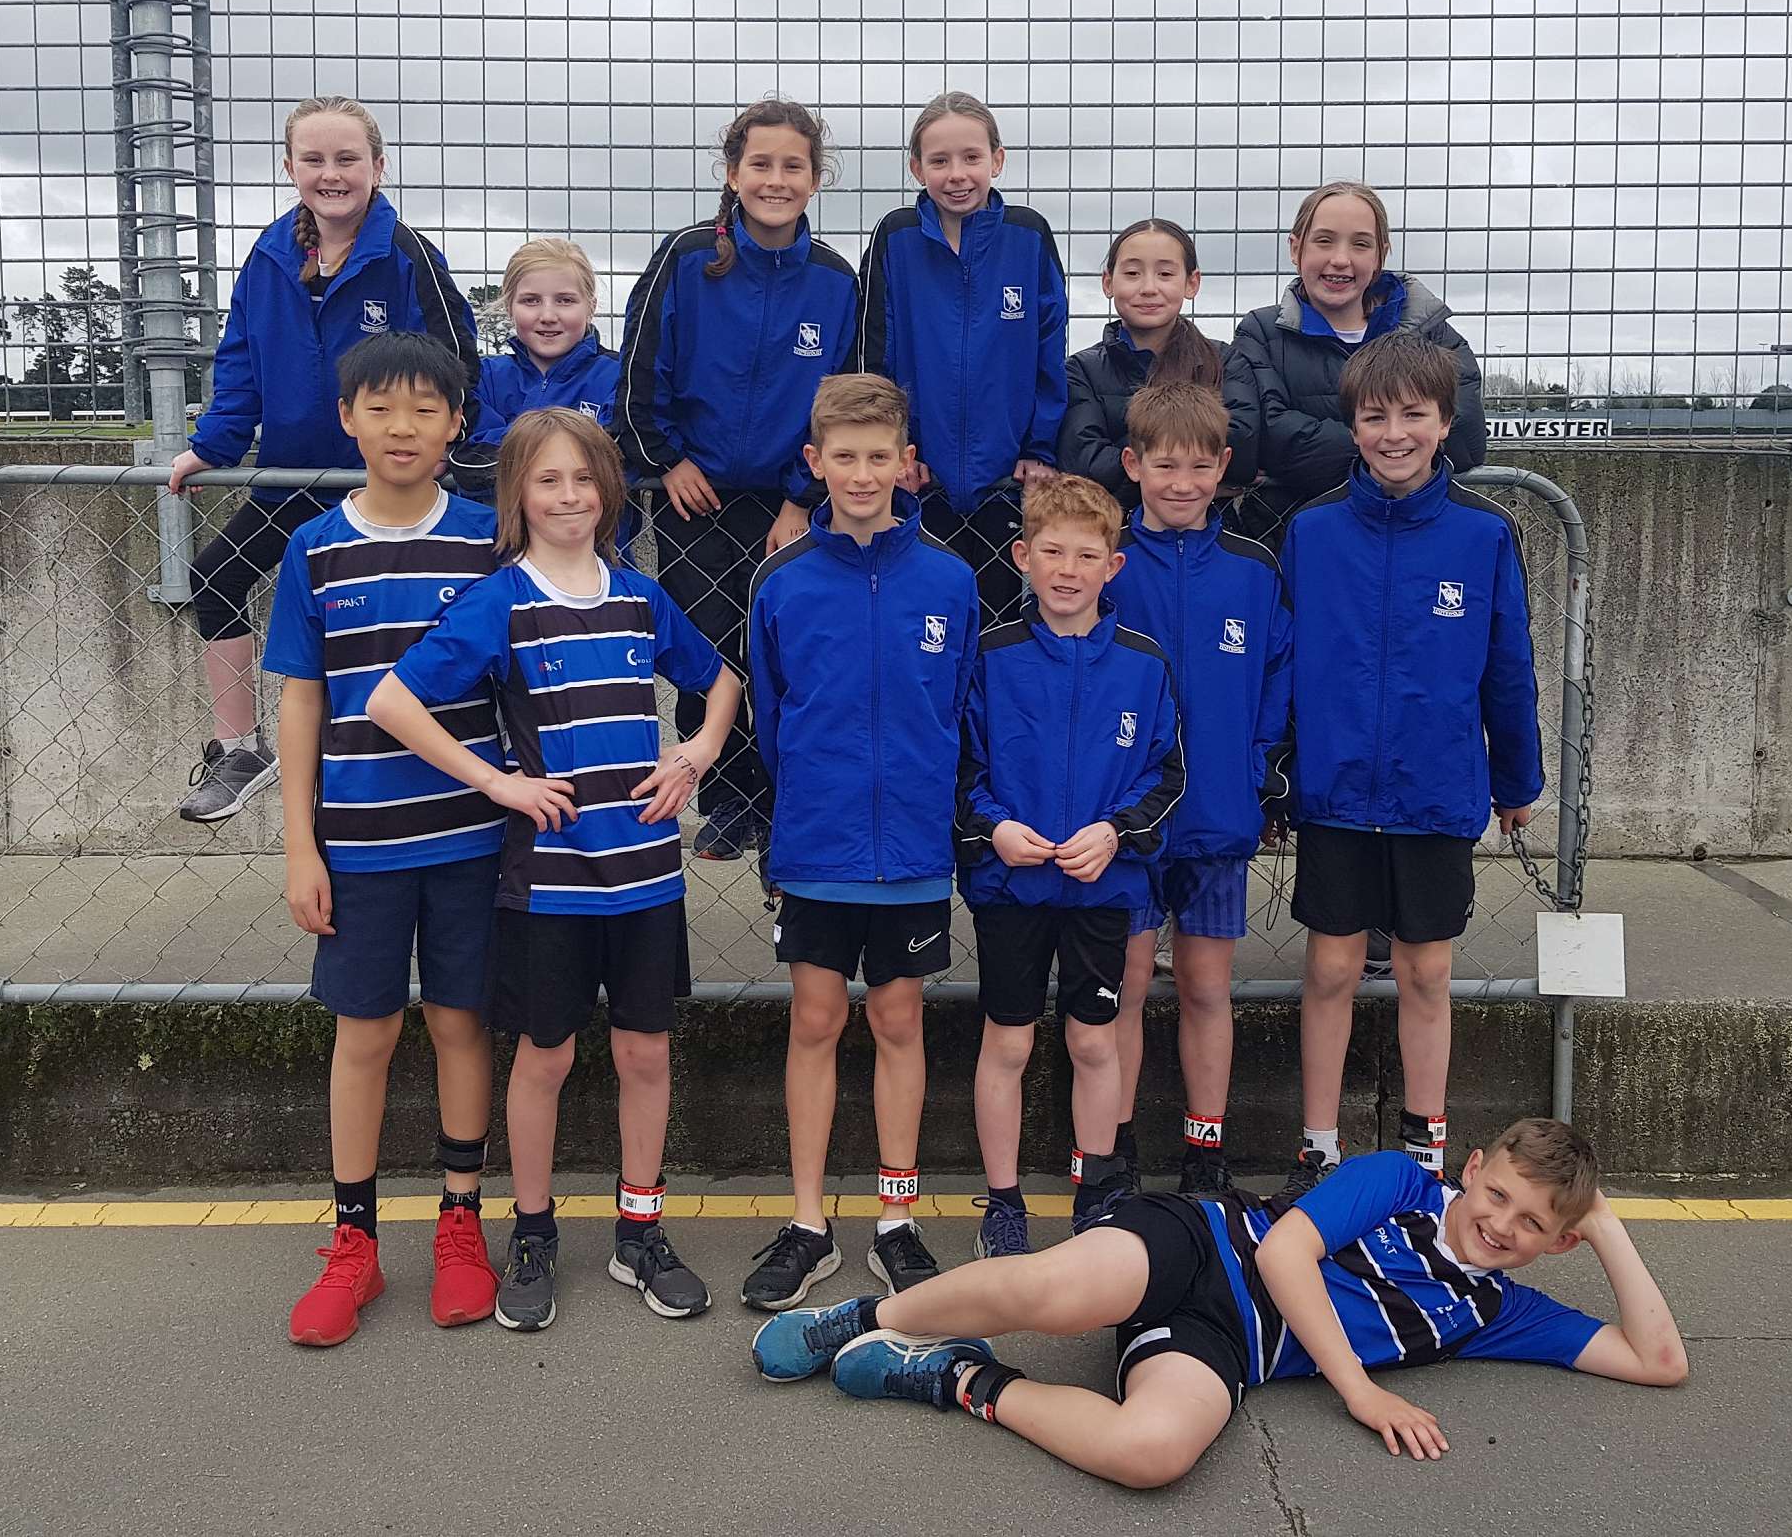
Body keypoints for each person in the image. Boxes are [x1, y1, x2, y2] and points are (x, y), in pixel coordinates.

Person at [752, 1117, 1687, 1489]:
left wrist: (1606, 1225)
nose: (1501, 1225)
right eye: (1498, 1195)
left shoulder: (1499, 1311)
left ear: (1559, 1242)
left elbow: (1659, 1361)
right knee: (1053, 1293)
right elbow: (1284, 1252)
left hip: (1226, 1342)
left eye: (1534, 1224)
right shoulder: (1402, 1181)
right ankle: (870, 1319)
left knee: (1153, 1453)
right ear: (1471, 1169)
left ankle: (954, 1377)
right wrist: (1361, 1391)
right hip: (1205, 1244)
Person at [366, 407, 742, 1331]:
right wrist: (497, 782)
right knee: (547, 1054)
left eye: (583, 479)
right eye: (548, 481)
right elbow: (391, 700)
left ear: (608, 491)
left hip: (646, 871)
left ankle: (640, 1231)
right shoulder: (501, 601)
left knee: (645, 1051)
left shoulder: (640, 596)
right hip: (551, 880)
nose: (568, 496)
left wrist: (696, 753)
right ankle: (532, 1232)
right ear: (518, 495)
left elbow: (723, 679)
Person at [263, 331, 506, 1347]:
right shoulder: (314, 548)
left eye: (424, 409)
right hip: (358, 847)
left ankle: (461, 1224)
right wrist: (299, 846)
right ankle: (353, 1244)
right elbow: (301, 701)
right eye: (380, 407)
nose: (402, 427)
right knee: (363, 1034)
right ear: (347, 419)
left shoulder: (492, 540)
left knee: (459, 1024)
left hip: (471, 840)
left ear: (456, 424)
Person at [169, 94, 482, 823]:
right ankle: (240, 750)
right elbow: (241, 359)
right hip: (293, 479)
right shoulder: (270, 256)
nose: (331, 174)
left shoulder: (407, 255)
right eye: (314, 159)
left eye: (348, 159)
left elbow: (456, 364)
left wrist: (438, 445)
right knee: (214, 578)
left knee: (375, 628)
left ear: (378, 167)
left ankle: (418, 753)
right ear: (290, 168)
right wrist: (211, 445)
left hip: (383, 488)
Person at [740, 374, 979, 1309]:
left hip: (912, 847)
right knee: (815, 1020)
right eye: (845, 456)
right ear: (816, 462)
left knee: (899, 1020)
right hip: (819, 843)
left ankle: (895, 1218)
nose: (864, 473)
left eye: (881, 456)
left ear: (906, 462)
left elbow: (958, 709)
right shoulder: (781, 582)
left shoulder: (951, 581)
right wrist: (812, 801)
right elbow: (771, 720)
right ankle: (808, 1223)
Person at [1281, 332, 1542, 1184]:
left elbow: (1509, 666)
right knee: (1331, 967)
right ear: (1352, 425)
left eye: (1413, 415)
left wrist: (1517, 779)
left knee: (1427, 970)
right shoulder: (1312, 531)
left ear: (1445, 421)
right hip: (1335, 791)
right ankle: (1319, 1148)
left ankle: (1425, 1155)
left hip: (1435, 791)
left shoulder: (1483, 533)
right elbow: (1281, 665)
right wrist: (1276, 774)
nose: (1394, 434)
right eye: (1375, 416)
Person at [614, 97, 860, 863]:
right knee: (706, 645)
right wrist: (668, 459)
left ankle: (780, 797)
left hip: (786, 505)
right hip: (694, 494)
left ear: (815, 179)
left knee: (782, 647)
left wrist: (802, 496)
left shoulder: (834, 280)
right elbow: (640, 370)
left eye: (793, 166)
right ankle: (724, 797)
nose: (775, 180)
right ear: (732, 173)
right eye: (760, 164)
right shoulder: (687, 257)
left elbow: (844, 403)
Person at [956, 475, 1184, 1259]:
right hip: (1010, 886)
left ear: (1113, 567)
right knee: (1008, 1043)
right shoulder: (992, 656)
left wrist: (1115, 834)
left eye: (1088, 555)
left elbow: (1167, 774)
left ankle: (1096, 1195)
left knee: (1094, 1041)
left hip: (1101, 887)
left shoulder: (1144, 664)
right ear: (1023, 556)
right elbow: (961, 767)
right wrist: (996, 828)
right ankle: (1004, 1203)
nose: (1068, 569)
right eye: (1052, 552)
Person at [1100, 381, 1291, 1195]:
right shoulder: (1104, 560)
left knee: (1208, 987)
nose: (1183, 484)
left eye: (1199, 467)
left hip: (1215, 817)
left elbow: (1277, 682)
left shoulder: (1252, 570)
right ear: (1132, 464)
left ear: (1224, 467)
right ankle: (1111, 1147)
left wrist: (1257, 775)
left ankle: (1205, 1151)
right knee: (1126, 988)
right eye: (1165, 466)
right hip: (1125, 825)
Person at [857, 90, 1067, 624]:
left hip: (1004, 480)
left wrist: (1038, 447)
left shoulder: (1028, 235)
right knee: (924, 621)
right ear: (916, 168)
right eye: (939, 161)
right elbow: (874, 354)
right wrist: (894, 448)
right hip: (920, 479)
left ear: (997, 159)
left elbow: (1049, 347)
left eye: (971, 157)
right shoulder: (896, 237)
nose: (957, 175)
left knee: (998, 620)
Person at [1229, 179, 1486, 539]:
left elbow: (1466, 439)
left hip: (1416, 538)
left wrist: (1336, 449)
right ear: (1295, 248)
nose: (1340, 259)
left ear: (1381, 254)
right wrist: (1404, 449)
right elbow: (1267, 439)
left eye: (1360, 244)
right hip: (1290, 542)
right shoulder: (1261, 333)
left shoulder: (1431, 330)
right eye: (1324, 241)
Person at [1058, 218, 1256, 510]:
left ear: (1192, 283)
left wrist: (1134, 455)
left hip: (1212, 525)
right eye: (1132, 273)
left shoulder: (1225, 362)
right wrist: (1197, 465)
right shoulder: (1080, 371)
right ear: (1108, 282)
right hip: (1113, 530)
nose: (1149, 288)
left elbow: (1243, 452)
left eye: (1165, 274)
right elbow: (1085, 465)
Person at [449, 237, 622, 507]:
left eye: (565, 300)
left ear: (591, 306)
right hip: (496, 531)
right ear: (509, 307)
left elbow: (611, 458)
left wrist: (512, 448)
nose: (548, 316)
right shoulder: (484, 377)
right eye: (531, 301)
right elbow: (472, 459)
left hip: (589, 531)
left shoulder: (619, 377)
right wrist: (570, 443)